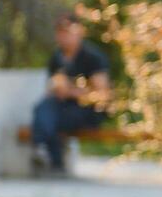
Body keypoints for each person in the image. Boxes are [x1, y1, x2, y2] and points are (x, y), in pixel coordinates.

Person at [30, 13, 110, 175]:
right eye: (60, 32)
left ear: (79, 31)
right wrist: (57, 91)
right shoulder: (57, 58)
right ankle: (47, 154)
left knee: (53, 118)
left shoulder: (92, 57)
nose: (63, 36)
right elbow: (51, 87)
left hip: (88, 109)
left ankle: (46, 152)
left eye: (67, 32)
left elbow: (102, 95)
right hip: (63, 106)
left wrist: (72, 92)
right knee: (42, 108)